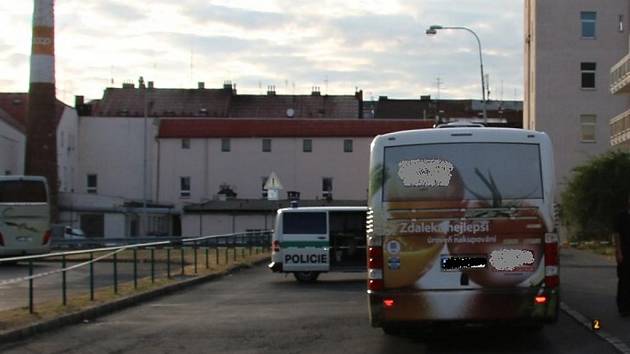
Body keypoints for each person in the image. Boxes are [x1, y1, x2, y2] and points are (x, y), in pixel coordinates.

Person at [614, 196, 630, 317]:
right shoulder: (621, 216)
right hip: (625, 252)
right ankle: (623, 307)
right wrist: (619, 252)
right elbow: (617, 235)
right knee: (624, 279)